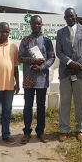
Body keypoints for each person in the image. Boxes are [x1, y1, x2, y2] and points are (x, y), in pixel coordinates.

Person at [56, 7, 82, 142]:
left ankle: (81, 129)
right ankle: (64, 129)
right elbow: (58, 51)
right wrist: (70, 62)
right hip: (65, 71)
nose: (70, 18)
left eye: (72, 16)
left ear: (76, 16)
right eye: (67, 16)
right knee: (64, 102)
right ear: (64, 18)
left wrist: (78, 64)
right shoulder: (60, 33)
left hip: (81, 72)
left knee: (81, 103)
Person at [18, 15, 55, 144]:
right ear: (30, 24)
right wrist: (33, 60)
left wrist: (41, 67)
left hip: (42, 78)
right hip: (28, 78)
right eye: (34, 23)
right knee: (27, 106)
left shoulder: (47, 41)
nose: (36, 25)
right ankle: (27, 132)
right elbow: (20, 58)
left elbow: (52, 58)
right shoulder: (25, 41)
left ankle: (40, 132)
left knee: (41, 106)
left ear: (41, 24)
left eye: (38, 23)